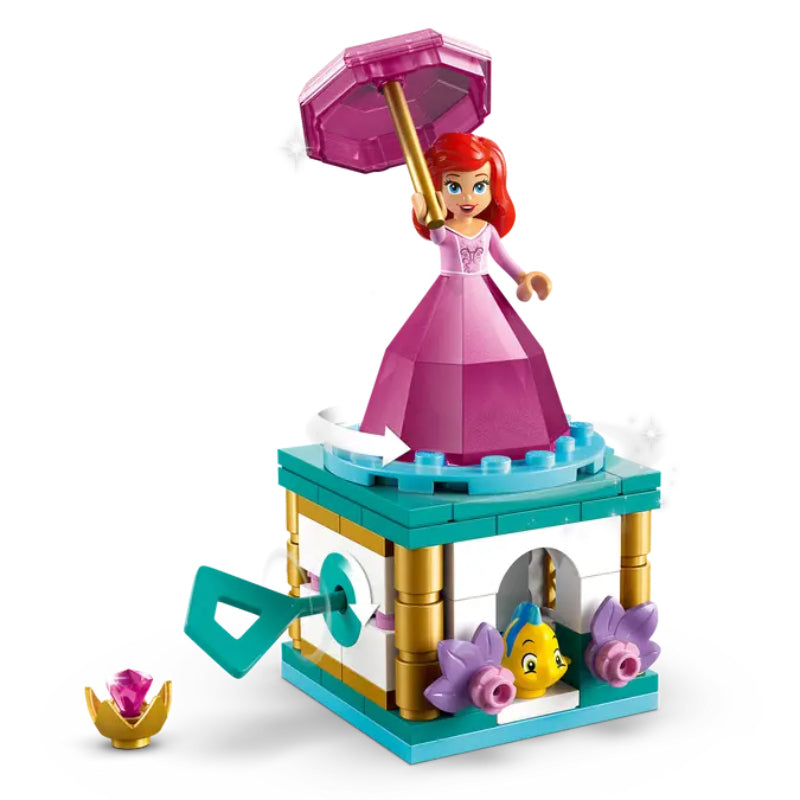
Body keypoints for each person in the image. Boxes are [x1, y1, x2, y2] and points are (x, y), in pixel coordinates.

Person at [360, 133, 569, 466]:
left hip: (486, 298)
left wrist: (525, 277)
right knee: (435, 360)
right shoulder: (445, 231)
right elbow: (437, 234)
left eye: (480, 185)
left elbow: (504, 260)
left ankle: (504, 429)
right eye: (455, 186)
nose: (469, 197)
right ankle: (434, 432)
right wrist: (427, 212)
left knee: (507, 358)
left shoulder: (487, 230)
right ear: (439, 189)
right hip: (449, 295)